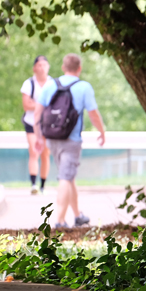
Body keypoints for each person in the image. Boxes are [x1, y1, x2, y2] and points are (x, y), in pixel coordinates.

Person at [34, 53, 106, 229]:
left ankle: (77, 215)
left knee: (69, 175)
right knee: (66, 177)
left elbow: (37, 113)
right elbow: (93, 114)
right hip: (71, 140)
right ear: (79, 68)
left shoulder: (50, 85)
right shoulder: (84, 87)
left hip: (52, 138)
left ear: (63, 68)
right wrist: (102, 131)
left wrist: (38, 137)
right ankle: (59, 221)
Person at [21, 56, 52, 194]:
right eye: (39, 65)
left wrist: (37, 105)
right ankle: (33, 185)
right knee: (34, 151)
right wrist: (42, 105)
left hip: (47, 123)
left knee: (46, 154)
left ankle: (43, 185)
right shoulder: (29, 84)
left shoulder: (53, 84)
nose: (42, 68)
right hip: (31, 122)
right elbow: (26, 105)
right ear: (34, 68)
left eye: (45, 65)